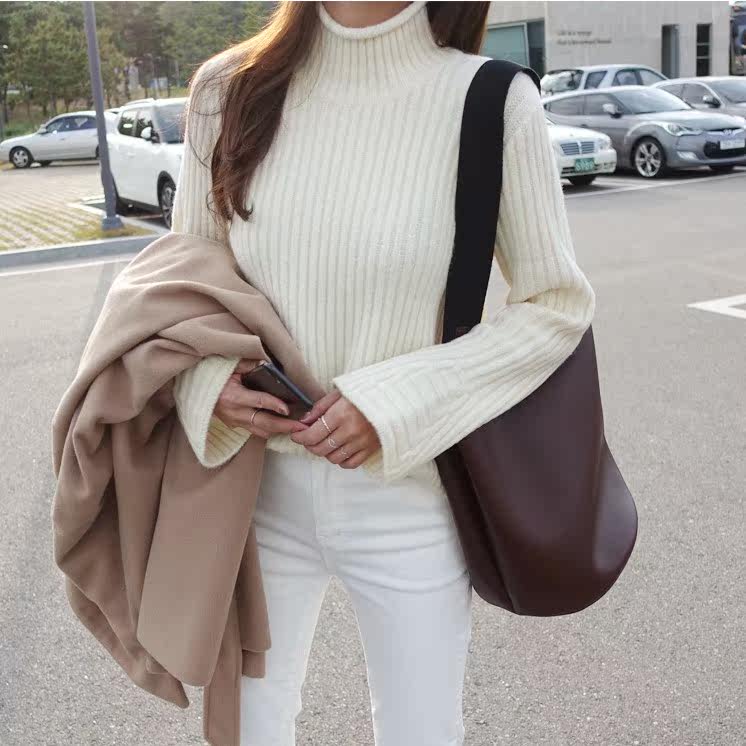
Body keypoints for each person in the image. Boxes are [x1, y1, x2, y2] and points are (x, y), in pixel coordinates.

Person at [169, 2, 595, 745]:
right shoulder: (227, 92)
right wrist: (207, 383)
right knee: (246, 733)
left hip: (410, 493)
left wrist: (394, 404)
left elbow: (555, 305)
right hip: (250, 489)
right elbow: (182, 286)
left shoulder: (490, 101)